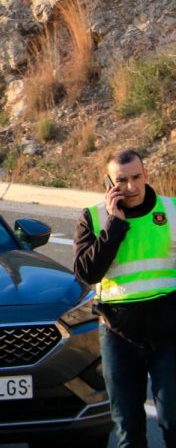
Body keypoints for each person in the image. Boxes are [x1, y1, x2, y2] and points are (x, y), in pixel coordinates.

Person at [73, 148, 176, 447]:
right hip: (119, 337)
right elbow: (87, 273)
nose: (130, 188)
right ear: (108, 182)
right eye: (121, 180)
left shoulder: (171, 212)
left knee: (172, 421)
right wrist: (114, 225)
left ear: (146, 175)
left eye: (136, 178)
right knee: (128, 431)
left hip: (168, 337)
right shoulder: (93, 217)